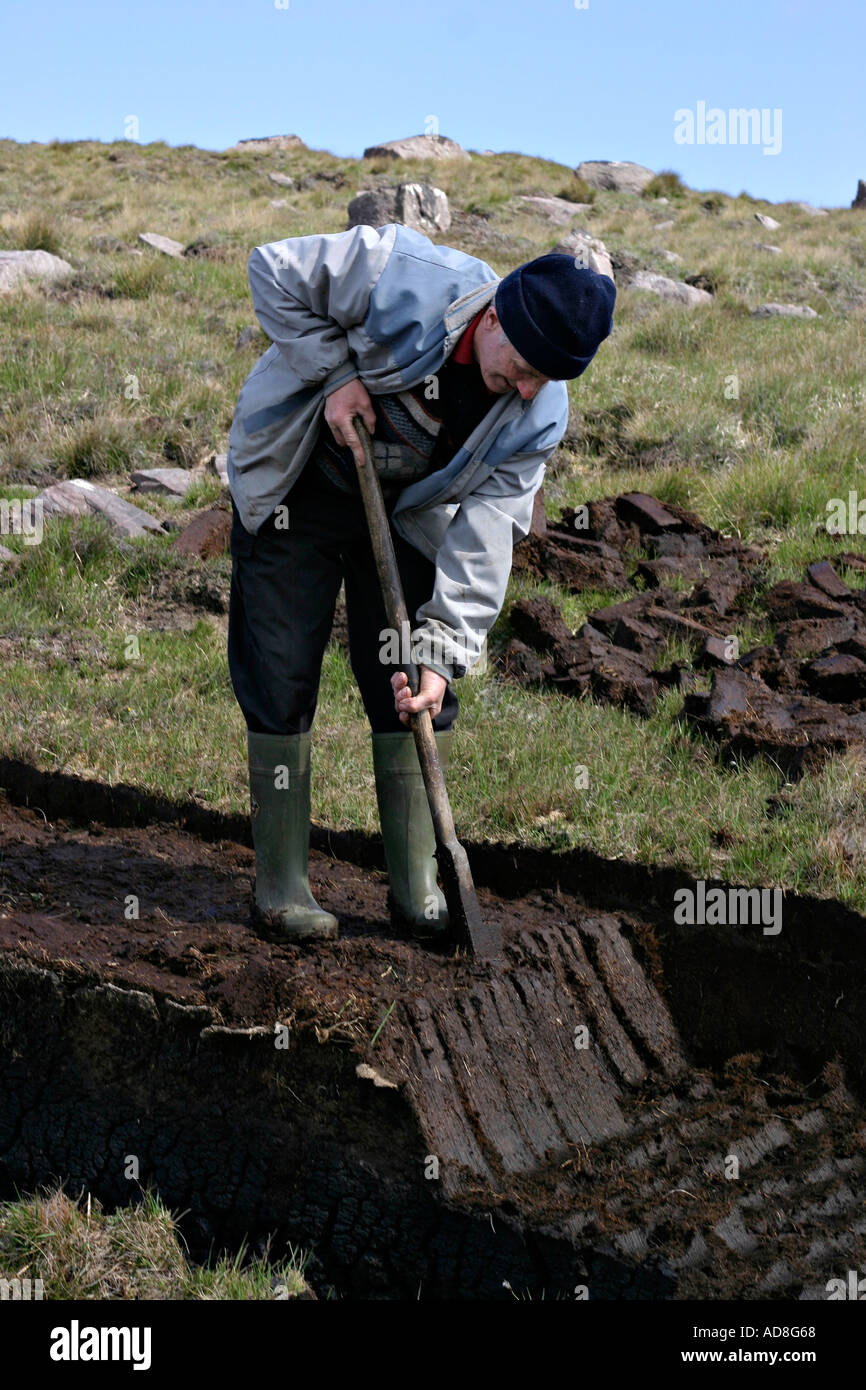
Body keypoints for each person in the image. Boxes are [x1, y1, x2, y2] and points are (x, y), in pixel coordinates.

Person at [226, 221, 615, 942]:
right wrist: (336, 375)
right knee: (279, 671)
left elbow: (488, 531)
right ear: (496, 312)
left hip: (407, 514)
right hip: (298, 484)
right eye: (524, 367)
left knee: (406, 683)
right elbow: (272, 269)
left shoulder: (540, 411)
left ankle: (417, 886)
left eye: (547, 381)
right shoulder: (397, 271)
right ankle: (282, 883)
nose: (528, 390)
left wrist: (443, 652)